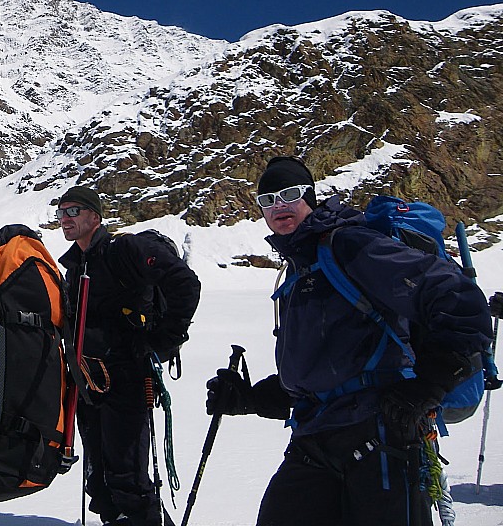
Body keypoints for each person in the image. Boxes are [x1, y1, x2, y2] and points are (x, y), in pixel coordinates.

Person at [206, 155, 492, 526]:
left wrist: (429, 385)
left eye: (289, 194)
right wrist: (250, 398)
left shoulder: (349, 245)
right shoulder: (299, 269)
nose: (279, 206)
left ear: (309, 197)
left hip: (382, 431)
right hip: (315, 436)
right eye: (268, 200)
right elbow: (326, 372)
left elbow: (459, 299)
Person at [54, 185, 201, 526]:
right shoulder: (76, 266)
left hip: (128, 377)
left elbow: (185, 283)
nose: (65, 218)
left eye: (74, 211)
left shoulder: (125, 249)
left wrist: (163, 339)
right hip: (89, 382)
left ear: (95, 217)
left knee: (127, 477)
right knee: (100, 481)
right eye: (61, 212)